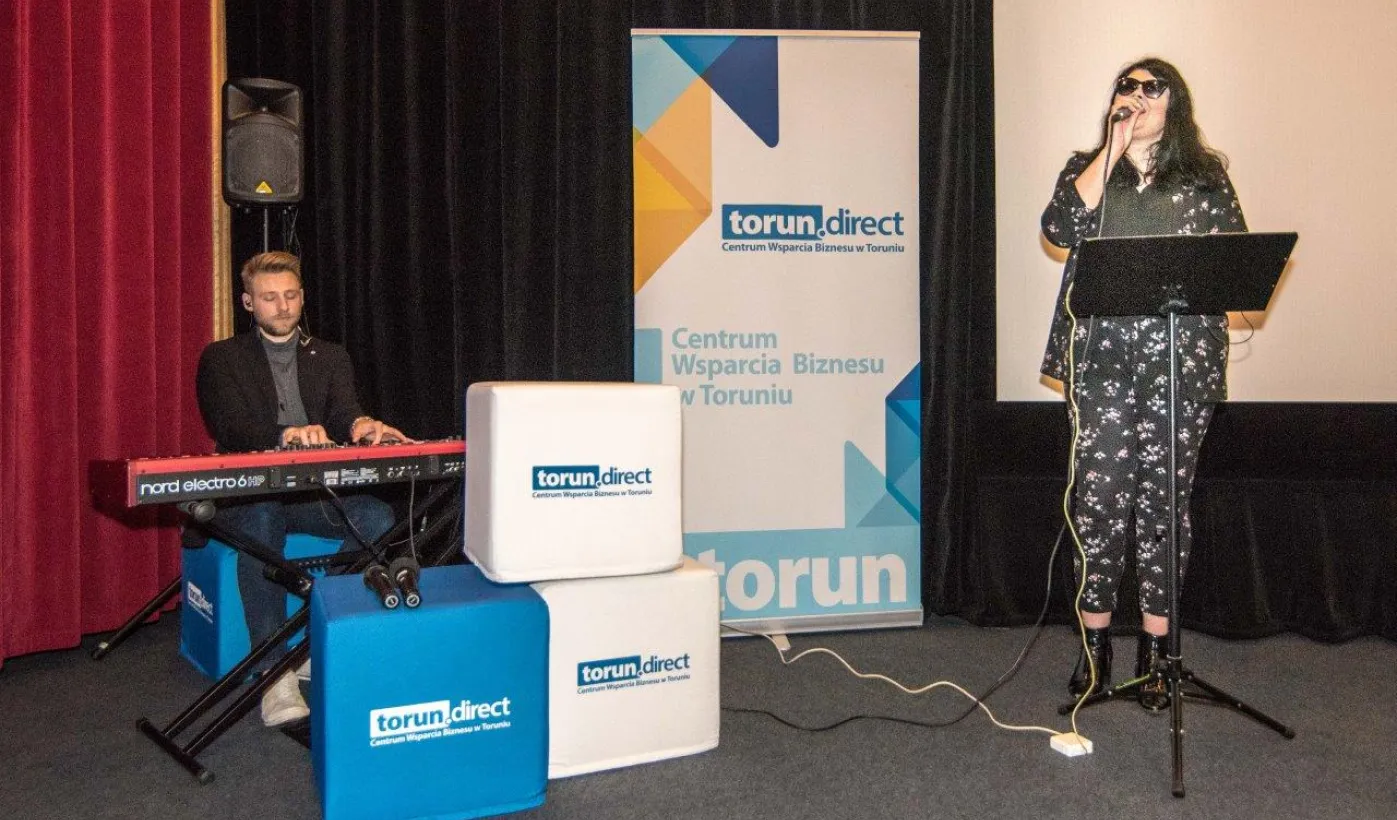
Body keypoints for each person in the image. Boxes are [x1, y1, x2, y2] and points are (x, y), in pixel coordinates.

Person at [1040, 58, 1246, 710]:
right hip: (1102, 366)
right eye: (1126, 87)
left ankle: (1157, 654)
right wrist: (1112, 149)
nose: (1136, 95)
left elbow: (1234, 260)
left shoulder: (1205, 176)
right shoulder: (1088, 168)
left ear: (1174, 102)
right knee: (1098, 505)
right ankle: (1094, 647)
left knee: (1163, 509)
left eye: (1151, 87)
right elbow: (1057, 229)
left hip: (1179, 368)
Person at [195, 251, 409, 726]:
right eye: (270, 297)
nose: (283, 306)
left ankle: (313, 643)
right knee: (263, 514)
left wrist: (360, 424)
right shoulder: (222, 358)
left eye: (291, 295)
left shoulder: (330, 356)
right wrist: (285, 435)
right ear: (249, 303)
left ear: (302, 297)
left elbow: (343, 411)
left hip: (309, 496)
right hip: (247, 496)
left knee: (376, 516)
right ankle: (273, 671)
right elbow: (231, 426)